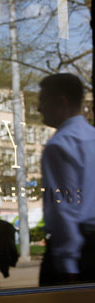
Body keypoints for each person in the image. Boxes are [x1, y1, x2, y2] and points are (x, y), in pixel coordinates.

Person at [37, 73, 95, 286]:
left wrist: (68, 266)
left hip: (79, 256)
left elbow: (63, 210)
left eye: (42, 101)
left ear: (61, 101)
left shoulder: (60, 145)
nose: (39, 109)